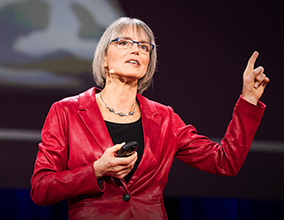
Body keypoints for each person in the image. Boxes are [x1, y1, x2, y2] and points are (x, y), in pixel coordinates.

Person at [30, 17, 269, 220]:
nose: (136, 50)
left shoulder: (164, 118)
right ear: (104, 58)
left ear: (148, 63)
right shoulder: (67, 111)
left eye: (144, 47)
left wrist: (248, 101)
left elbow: (224, 161)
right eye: (124, 42)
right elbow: (41, 189)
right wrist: (96, 170)